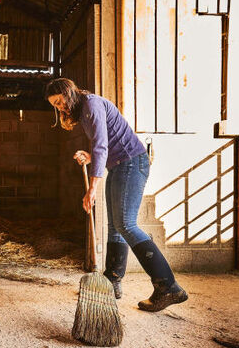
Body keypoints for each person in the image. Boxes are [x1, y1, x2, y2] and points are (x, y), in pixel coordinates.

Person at [45, 77, 188, 312]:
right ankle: (112, 280)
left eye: (59, 101)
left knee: (126, 224)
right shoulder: (84, 110)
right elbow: (107, 144)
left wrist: (93, 188)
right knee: (115, 226)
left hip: (131, 163)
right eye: (55, 105)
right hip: (121, 164)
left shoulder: (90, 104)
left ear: (69, 93)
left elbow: (102, 145)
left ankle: (168, 286)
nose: (59, 107)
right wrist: (91, 158)